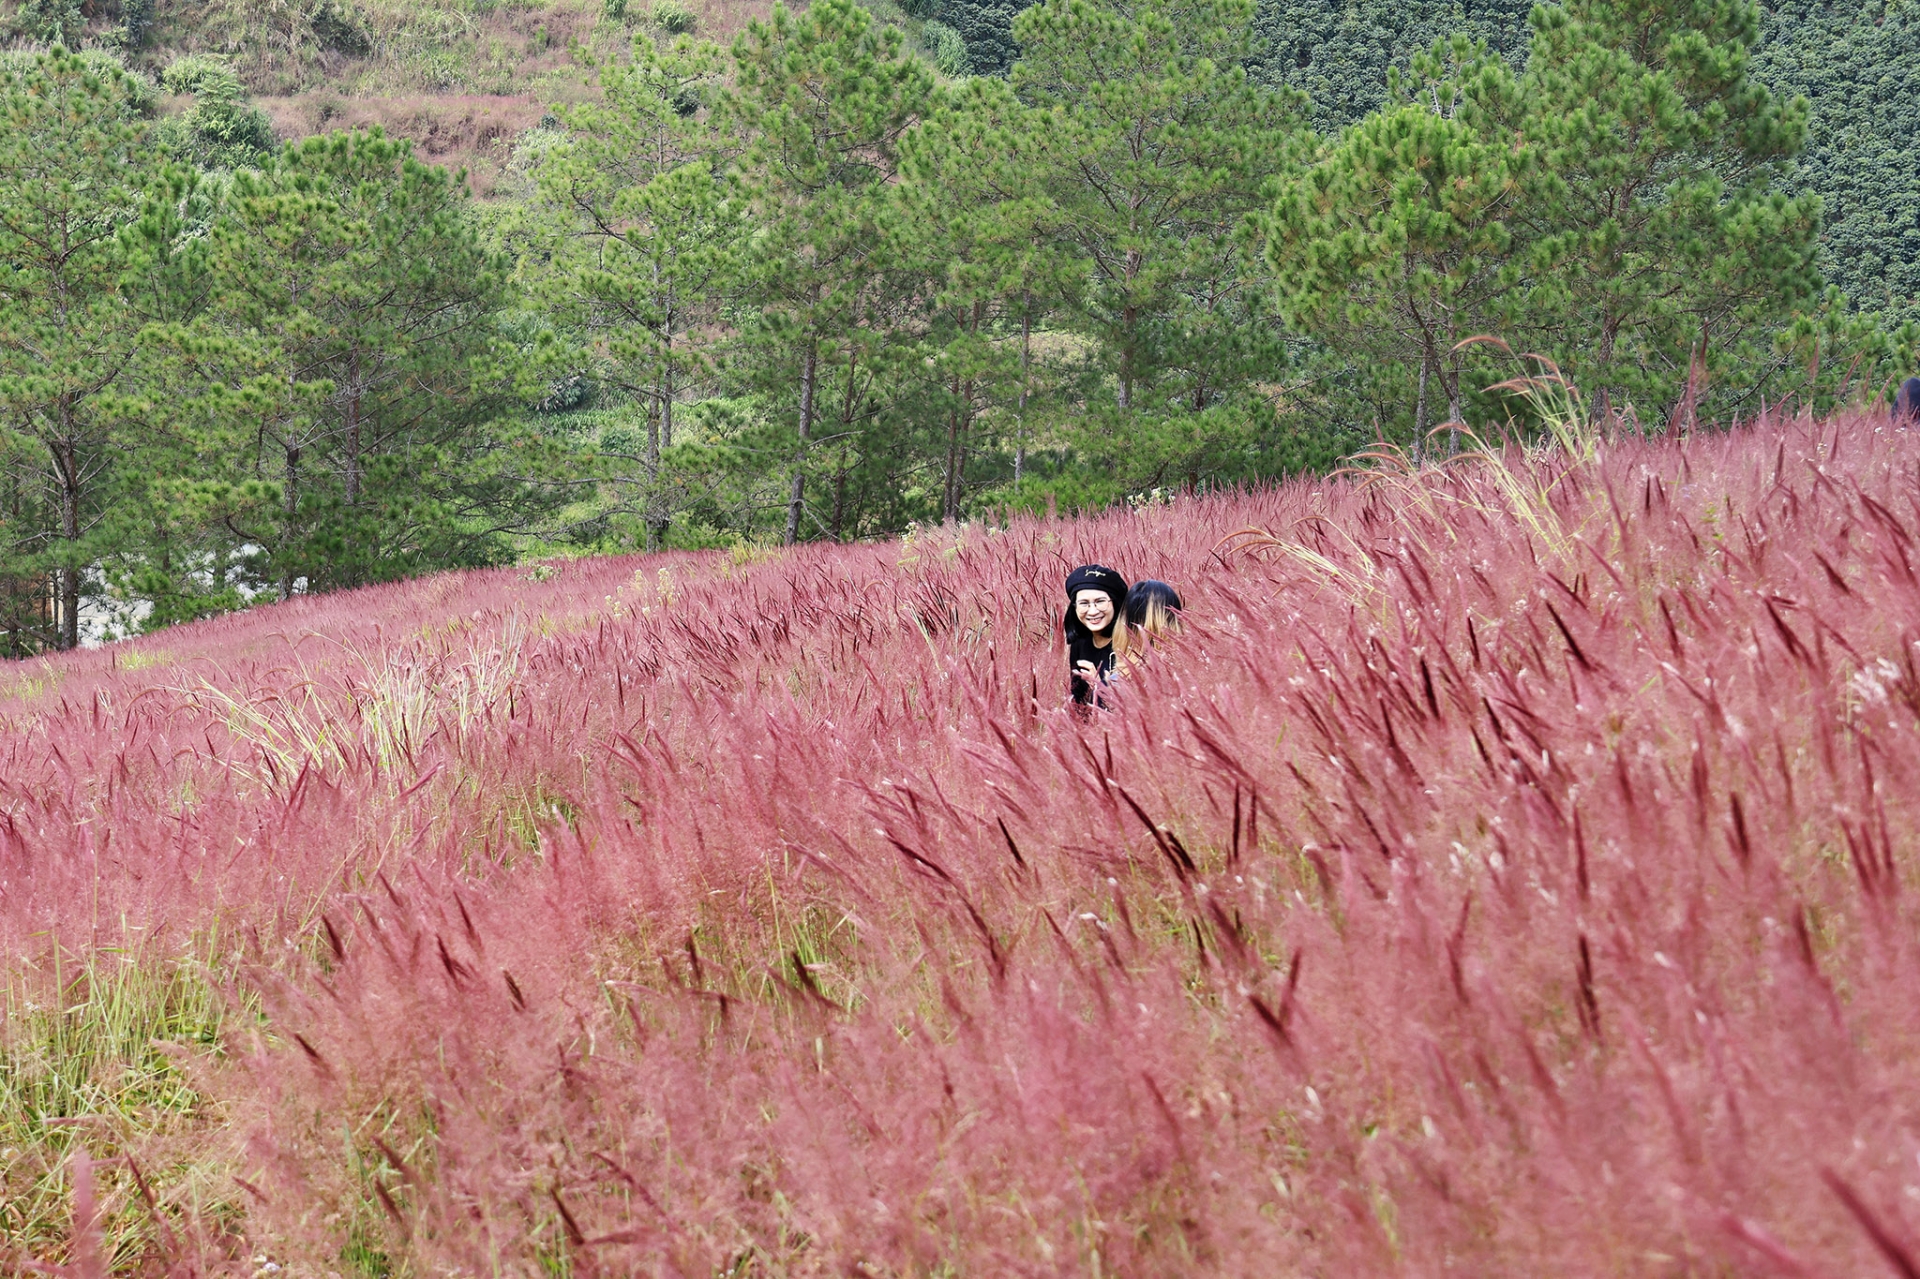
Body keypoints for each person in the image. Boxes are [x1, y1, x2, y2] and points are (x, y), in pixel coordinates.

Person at [1063, 564, 1127, 706]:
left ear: (1115, 603)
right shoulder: (1079, 642)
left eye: (1100, 602)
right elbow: (1078, 702)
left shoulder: (1129, 644)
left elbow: (1134, 709)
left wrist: (1098, 685)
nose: (1092, 611)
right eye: (1084, 603)